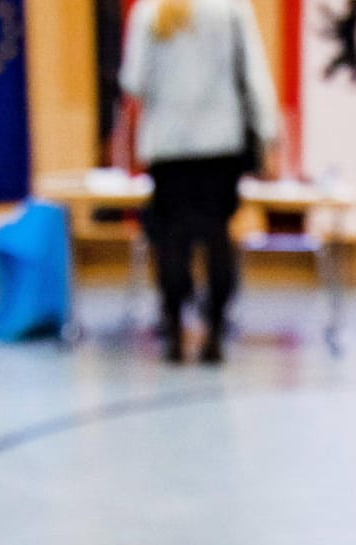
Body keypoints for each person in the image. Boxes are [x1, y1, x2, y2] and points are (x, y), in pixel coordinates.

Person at [120, 0, 281, 365]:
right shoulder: (230, 9)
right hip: (220, 143)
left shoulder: (150, 12)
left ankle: (175, 331)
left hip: (167, 146)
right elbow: (254, 74)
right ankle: (214, 334)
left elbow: (134, 80)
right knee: (217, 236)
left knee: (171, 238)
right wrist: (269, 133)